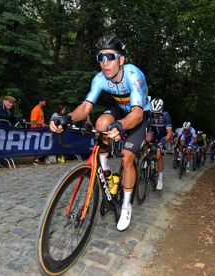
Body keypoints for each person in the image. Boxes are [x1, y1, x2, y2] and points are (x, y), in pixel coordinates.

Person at [50, 34, 150, 231]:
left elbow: (137, 114)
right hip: (121, 111)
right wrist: (68, 118)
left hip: (138, 114)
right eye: (100, 58)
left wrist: (121, 126)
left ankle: (127, 204)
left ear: (121, 60)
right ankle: (105, 173)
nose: (105, 63)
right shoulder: (100, 79)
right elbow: (86, 107)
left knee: (127, 159)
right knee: (101, 122)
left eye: (110, 57)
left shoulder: (133, 75)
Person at [148, 97, 173, 190]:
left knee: (158, 156)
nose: (155, 115)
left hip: (163, 136)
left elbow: (170, 133)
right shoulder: (149, 114)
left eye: (157, 113)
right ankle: (146, 162)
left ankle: (160, 178)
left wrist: (163, 142)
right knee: (146, 140)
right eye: (153, 112)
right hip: (153, 134)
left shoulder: (166, 115)